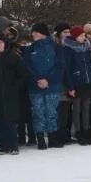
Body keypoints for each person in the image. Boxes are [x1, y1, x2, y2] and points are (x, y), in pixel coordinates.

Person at [23, 22, 65, 150]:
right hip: (35, 88)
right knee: (38, 113)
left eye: (36, 31)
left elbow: (60, 66)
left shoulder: (56, 47)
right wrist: (38, 80)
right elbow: (26, 67)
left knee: (51, 112)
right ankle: (40, 139)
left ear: (43, 33)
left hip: (52, 87)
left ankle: (52, 139)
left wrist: (48, 80)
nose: (33, 34)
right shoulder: (30, 49)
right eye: (33, 32)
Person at [63, 25, 91, 146]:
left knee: (86, 108)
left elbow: (89, 64)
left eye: (84, 35)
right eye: (81, 35)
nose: (84, 37)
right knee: (77, 109)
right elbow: (67, 69)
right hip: (77, 83)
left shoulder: (86, 48)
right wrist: (70, 87)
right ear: (75, 37)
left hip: (87, 82)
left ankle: (86, 131)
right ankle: (78, 132)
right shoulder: (69, 49)